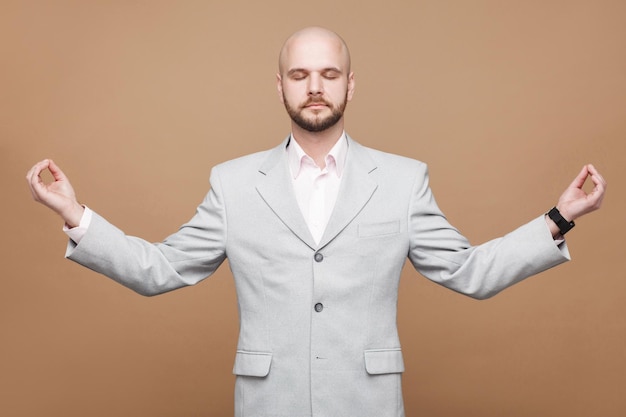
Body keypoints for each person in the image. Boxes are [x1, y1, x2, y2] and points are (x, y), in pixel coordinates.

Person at [26, 27, 606, 417]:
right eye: (300, 75)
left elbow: (469, 270)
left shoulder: (404, 180)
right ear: (279, 85)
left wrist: (558, 219)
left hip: (368, 402)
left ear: (349, 85)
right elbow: (160, 269)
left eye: (329, 74)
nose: (315, 87)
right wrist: (76, 215)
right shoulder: (232, 183)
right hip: (267, 402)